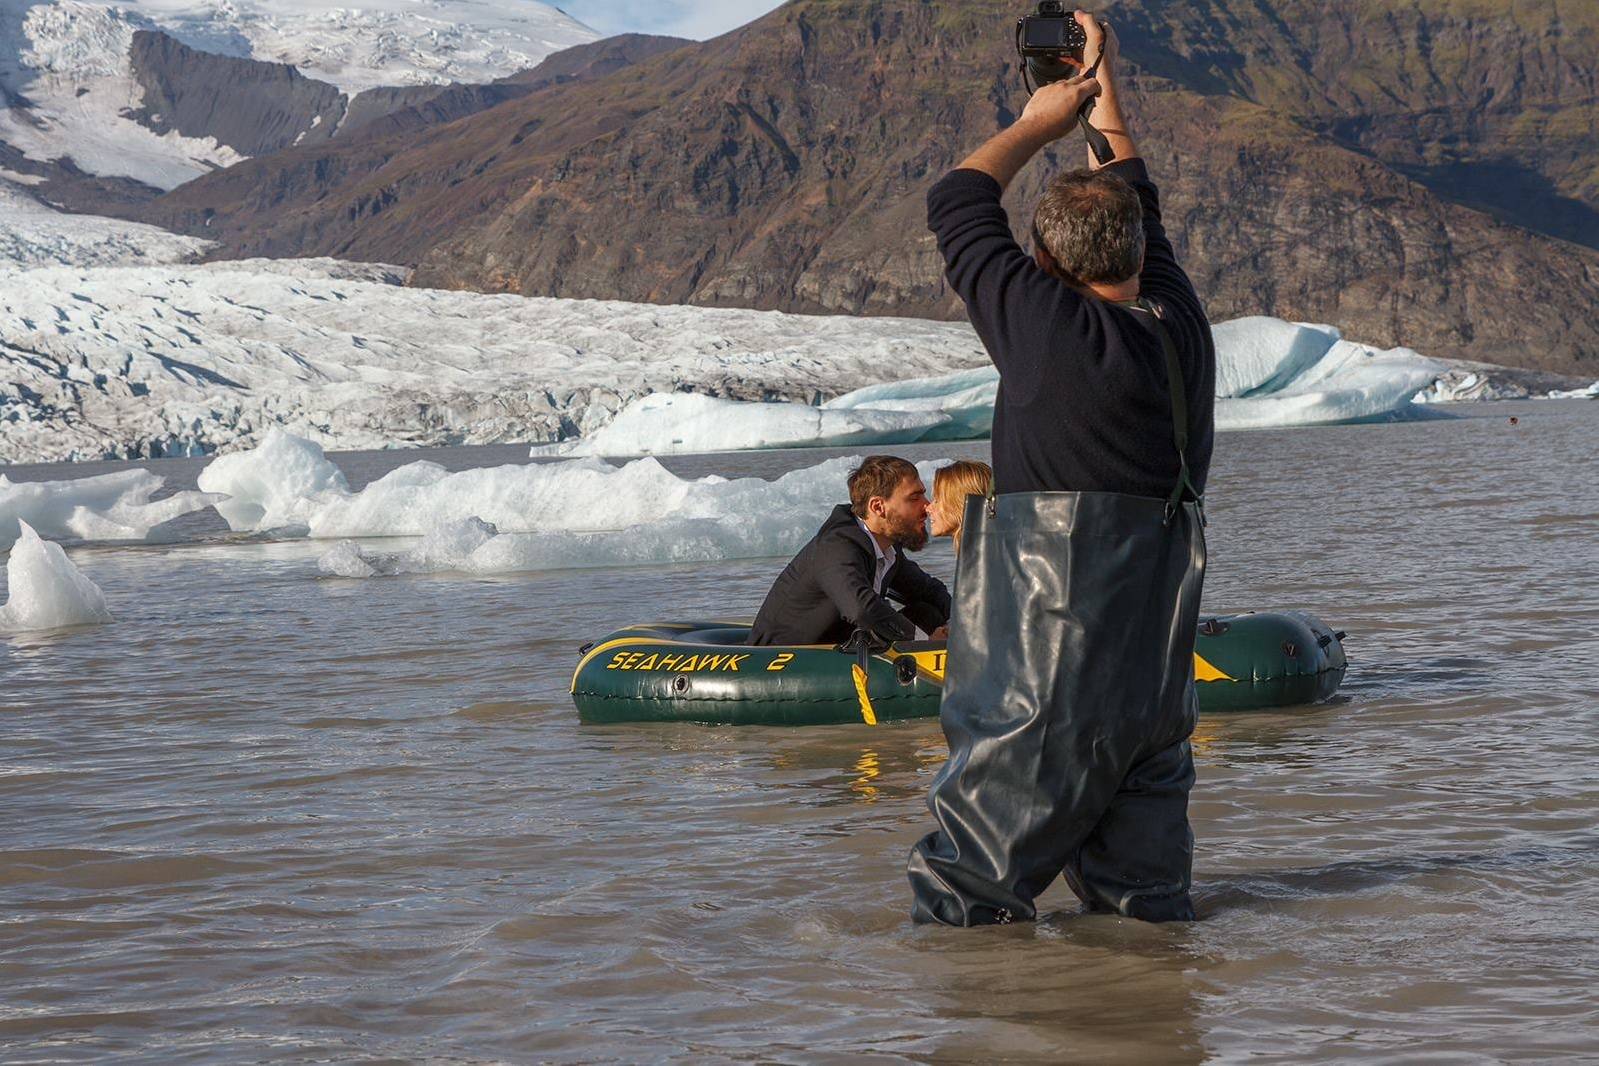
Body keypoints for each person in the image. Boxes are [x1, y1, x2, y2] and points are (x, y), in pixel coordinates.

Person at [906, 11, 1216, 925]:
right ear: (1132, 254)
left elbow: (956, 200)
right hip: (1155, 682)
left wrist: (1040, 121)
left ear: (1042, 263)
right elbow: (1136, 198)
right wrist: (1099, 89)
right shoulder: (1179, 329)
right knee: (1145, 910)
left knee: (965, 904)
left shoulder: (1046, 330)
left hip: (1042, 674)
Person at [749, 455, 951, 647]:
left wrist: (958, 627)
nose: (927, 506)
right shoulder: (837, 547)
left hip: (837, 650)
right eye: (914, 498)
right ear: (878, 507)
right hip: (781, 662)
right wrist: (924, 643)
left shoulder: (886, 549)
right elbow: (860, 608)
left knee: (928, 613)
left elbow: (931, 591)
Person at [929, 460, 993, 555]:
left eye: (937, 500)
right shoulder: (991, 549)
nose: (928, 508)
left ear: (960, 503)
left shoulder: (983, 558)